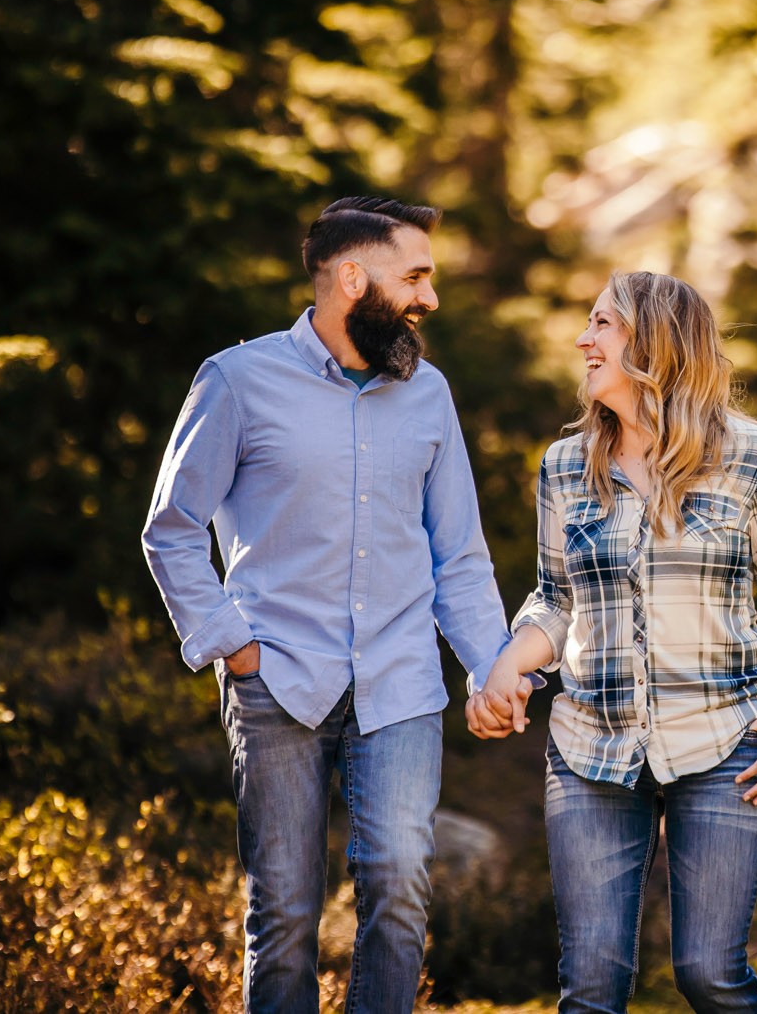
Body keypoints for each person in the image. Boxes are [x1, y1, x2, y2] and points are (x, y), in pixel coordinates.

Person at [142, 196, 531, 1014]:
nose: (428, 297)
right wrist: (231, 644)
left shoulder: (428, 394)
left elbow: (457, 554)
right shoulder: (237, 380)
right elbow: (171, 530)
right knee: (282, 911)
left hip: (399, 683)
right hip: (275, 682)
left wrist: (494, 669)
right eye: (415, 276)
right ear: (352, 277)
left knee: (398, 891)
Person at [468, 271, 757, 1014]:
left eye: (601, 324)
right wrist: (507, 664)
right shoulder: (567, 465)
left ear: (653, 341)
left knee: (710, 974)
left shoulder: (752, 455)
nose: (583, 340)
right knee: (591, 988)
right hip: (591, 745)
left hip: (726, 738)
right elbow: (555, 600)